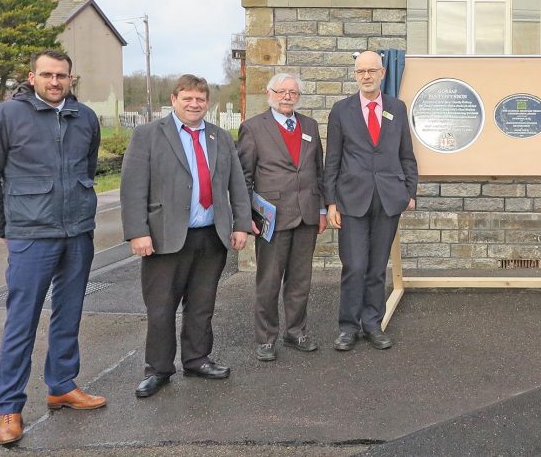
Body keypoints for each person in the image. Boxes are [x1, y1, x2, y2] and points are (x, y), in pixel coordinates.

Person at [0, 50, 106, 446]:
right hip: (31, 235)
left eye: (61, 75)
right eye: (47, 74)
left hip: (77, 232)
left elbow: (87, 168)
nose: (54, 81)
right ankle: (9, 407)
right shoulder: (4, 117)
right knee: (22, 321)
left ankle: (62, 384)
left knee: (69, 312)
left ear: (70, 78)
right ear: (32, 78)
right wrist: (3, 228)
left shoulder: (85, 118)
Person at [120, 74, 252, 398]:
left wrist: (241, 224)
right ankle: (158, 369)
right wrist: (138, 232)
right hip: (164, 237)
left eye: (200, 99)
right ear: (174, 100)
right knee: (161, 308)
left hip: (211, 236)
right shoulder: (148, 135)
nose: (194, 104)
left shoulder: (221, 137)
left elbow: (237, 184)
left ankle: (197, 359)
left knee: (202, 304)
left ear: (208, 102)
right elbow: (133, 187)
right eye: (188, 98)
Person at [323, 50, 418, 351]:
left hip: (388, 199)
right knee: (354, 265)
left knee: (377, 267)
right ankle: (348, 327)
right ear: (355, 75)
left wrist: (410, 192)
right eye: (361, 71)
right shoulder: (341, 110)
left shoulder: (397, 108)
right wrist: (330, 203)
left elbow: (406, 154)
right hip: (352, 200)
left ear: (382, 73)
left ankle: (373, 324)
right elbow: (332, 159)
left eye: (371, 70)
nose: (366, 76)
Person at [237, 73, 326, 362]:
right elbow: (244, 177)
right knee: (269, 281)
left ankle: (296, 331)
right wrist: (245, 216)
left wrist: (322, 209)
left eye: (292, 92)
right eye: (281, 91)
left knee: (300, 280)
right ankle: (266, 339)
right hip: (271, 217)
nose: (287, 96)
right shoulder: (252, 128)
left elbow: (319, 171)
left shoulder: (310, 126)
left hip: (306, 214)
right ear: (269, 93)